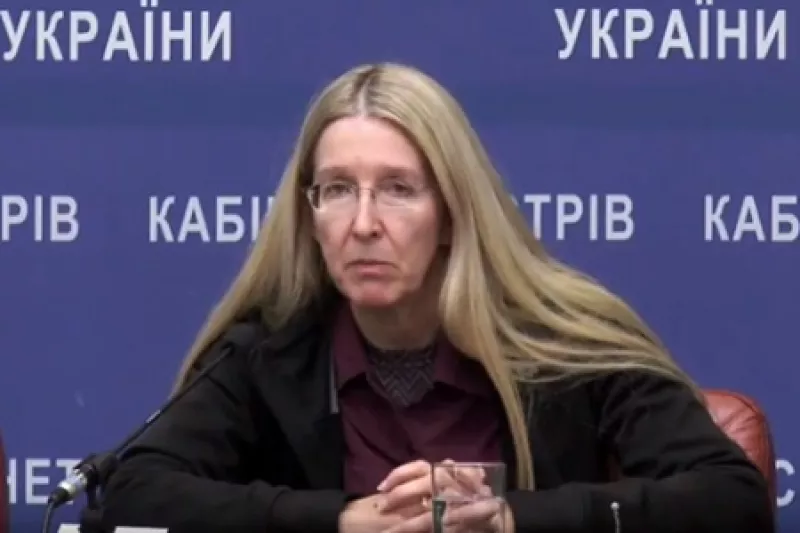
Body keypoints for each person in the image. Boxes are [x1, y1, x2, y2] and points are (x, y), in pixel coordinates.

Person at [98, 63, 774, 533]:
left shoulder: (564, 340)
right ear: (310, 214)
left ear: (453, 212)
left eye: (398, 189)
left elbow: (731, 496)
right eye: (338, 189)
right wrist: (340, 519)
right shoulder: (265, 353)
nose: (364, 223)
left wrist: (511, 519)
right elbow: (132, 494)